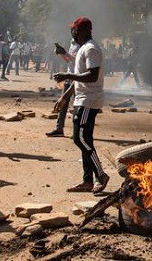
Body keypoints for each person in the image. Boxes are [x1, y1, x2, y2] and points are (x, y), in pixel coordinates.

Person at [53, 17, 110, 193]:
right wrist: (65, 97)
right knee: (85, 139)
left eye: (76, 30)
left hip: (89, 100)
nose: (74, 33)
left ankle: (100, 175)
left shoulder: (91, 49)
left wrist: (66, 76)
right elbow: (79, 79)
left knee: (80, 138)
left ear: (85, 30)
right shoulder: (83, 48)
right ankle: (87, 181)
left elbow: (92, 76)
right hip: (81, 98)